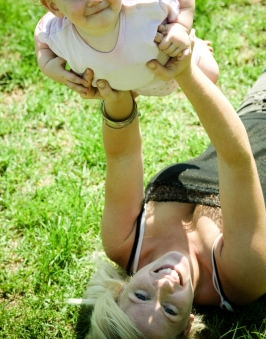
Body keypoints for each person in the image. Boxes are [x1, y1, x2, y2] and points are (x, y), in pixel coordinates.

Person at [67, 38, 266, 338]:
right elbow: (236, 160)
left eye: (141, 296)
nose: (165, 284)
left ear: (120, 290)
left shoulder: (124, 240)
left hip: (255, 108)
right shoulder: (242, 277)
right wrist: (186, 73)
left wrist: (116, 99)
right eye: (170, 310)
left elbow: (123, 156)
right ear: (187, 327)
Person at [11, 0, 219, 98]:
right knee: (121, 105)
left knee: (210, 74)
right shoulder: (59, 32)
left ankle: (196, 44)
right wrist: (47, 66)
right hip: (133, 85)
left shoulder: (146, 1)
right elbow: (41, 34)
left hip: (174, 55)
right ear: (54, 6)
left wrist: (181, 26)